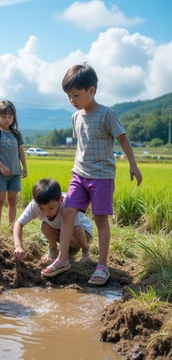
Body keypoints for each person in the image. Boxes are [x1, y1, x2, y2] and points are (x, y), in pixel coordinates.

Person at [41, 63, 142, 285]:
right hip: (79, 174)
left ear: (91, 91)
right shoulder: (75, 117)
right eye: (69, 96)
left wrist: (133, 165)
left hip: (102, 176)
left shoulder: (107, 114)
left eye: (76, 95)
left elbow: (123, 139)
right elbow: (82, 146)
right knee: (67, 212)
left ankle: (103, 265)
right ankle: (62, 258)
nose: (72, 100)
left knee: (100, 219)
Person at [13, 178, 93, 264]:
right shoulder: (35, 205)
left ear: (60, 200)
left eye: (51, 208)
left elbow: (77, 229)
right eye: (41, 208)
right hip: (61, 234)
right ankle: (52, 250)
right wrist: (18, 246)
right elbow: (18, 224)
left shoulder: (69, 204)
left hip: (82, 234)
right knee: (45, 226)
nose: (46, 213)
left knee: (76, 229)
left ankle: (85, 251)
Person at [0, 100, 28, 227]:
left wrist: (25, 167)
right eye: (3, 116)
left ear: (14, 118)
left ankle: (11, 226)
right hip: (0, 173)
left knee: (12, 201)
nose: (7, 119)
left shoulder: (16, 134)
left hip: (15, 173)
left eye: (10, 117)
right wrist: (2, 166)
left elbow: (21, 152)